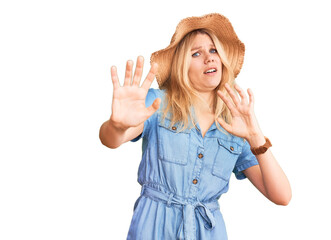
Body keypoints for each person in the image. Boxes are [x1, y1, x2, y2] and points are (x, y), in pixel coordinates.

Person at [99, 13, 291, 240]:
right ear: (182, 65)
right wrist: (117, 125)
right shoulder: (159, 103)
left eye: (213, 50)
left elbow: (282, 196)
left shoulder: (234, 124)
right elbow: (111, 139)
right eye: (196, 53)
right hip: (154, 229)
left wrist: (256, 135)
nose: (209, 58)